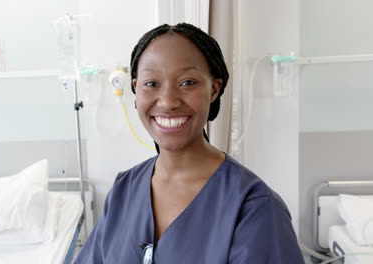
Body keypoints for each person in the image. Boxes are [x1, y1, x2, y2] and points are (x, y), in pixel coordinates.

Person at [74, 23, 304, 264]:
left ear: (214, 89)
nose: (168, 102)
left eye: (187, 83)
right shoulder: (123, 192)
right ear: (135, 89)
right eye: (151, 83)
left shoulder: (254, 207)